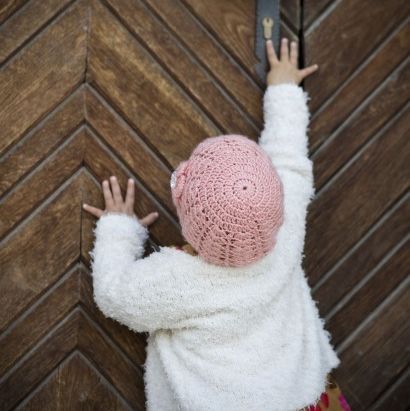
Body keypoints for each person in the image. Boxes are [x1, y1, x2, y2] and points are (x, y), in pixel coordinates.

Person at [83, 38, 350, 411]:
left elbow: (114, 294)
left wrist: (119, 228)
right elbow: (289, 159)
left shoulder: (176, 282)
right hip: (303, 399)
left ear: (191, 218)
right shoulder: (284, 225)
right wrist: (285, 89)